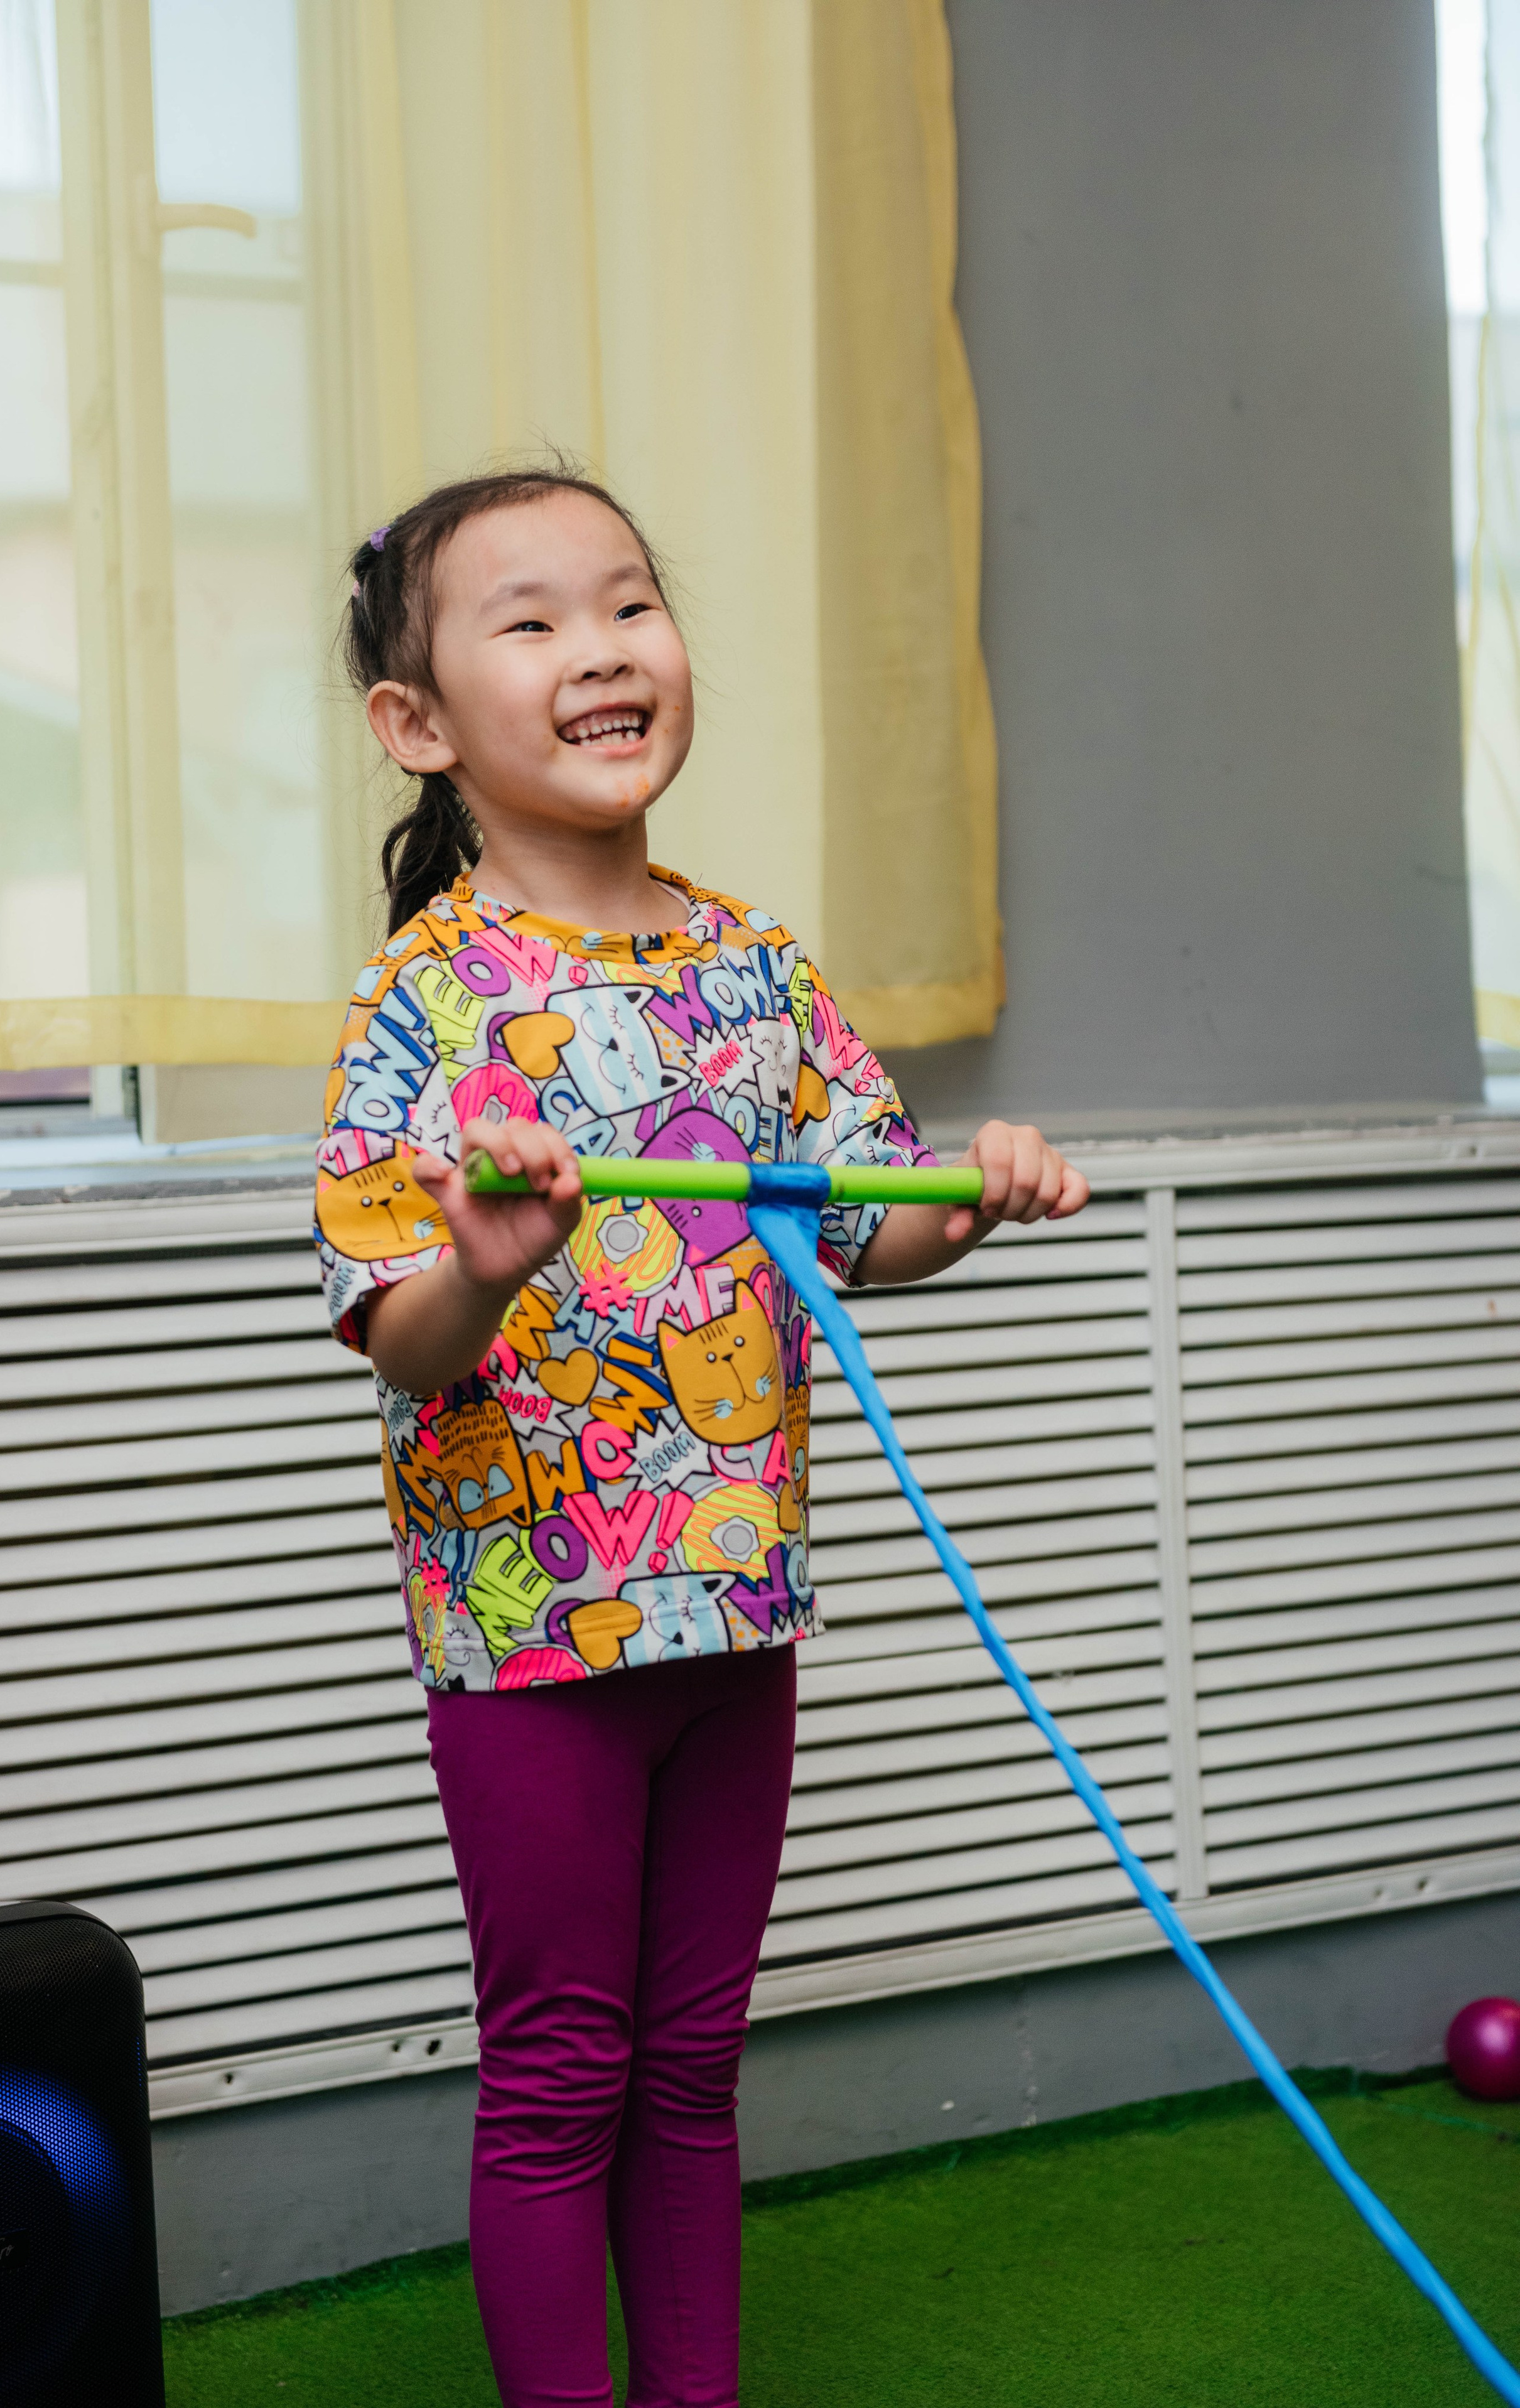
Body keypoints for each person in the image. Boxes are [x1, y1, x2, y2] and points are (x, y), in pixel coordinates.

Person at [315, 466, 1090, 2408]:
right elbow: (404, 1342)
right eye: (534, 618)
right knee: (564, 2067)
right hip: (537, 1637)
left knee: (688, 2066)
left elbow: (869, 1219)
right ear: (419, 726)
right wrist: (486, 1263)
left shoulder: (758, 968)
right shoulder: (417, 1003)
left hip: (736, 1618)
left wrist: (967, 1195)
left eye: (631, 602)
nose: (602, 648)